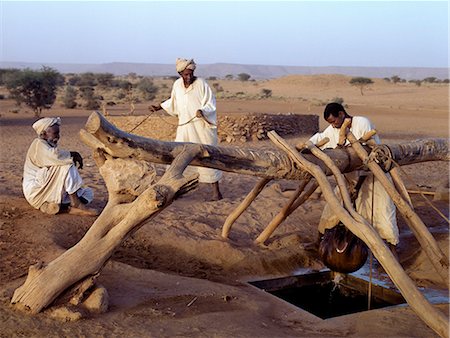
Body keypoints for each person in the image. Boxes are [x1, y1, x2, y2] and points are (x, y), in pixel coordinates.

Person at [308, 103, 399, 256]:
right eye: (330, 122)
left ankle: (392, 252)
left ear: (342, 113)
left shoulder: (362, 122)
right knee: (332, 207)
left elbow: (369, 154)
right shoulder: (332, 130)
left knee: (383, 213)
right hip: (350, 180)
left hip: (373, 176)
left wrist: (357, 187)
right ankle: (318, 242)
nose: (333, 125)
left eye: (334, 121)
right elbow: (320, 139)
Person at [150, 58, 223, 201]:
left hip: (201, 128)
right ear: (180, 74)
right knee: (180, 156)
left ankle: (216, 193)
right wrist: (158, 107)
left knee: (206, 156)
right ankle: (176, 189)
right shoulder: (177, 85)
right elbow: (173, 101)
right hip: (185, 127)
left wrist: (203, 111)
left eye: (190, 73)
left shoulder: (201, 84)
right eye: (185, 74)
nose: (188, 77)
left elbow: (210, 103)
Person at [23, 117, 98, 216]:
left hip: (46, 190)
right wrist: (74, 154)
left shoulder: (47, 145)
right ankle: (75, 202)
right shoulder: (38, 144)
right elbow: (56, 156)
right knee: (66, 165)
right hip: (36, 192)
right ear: (44, 134)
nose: (58, 136)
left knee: (88, 193)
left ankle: (61, 208)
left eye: (58, 133)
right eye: (55, 133)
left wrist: (72, 155)